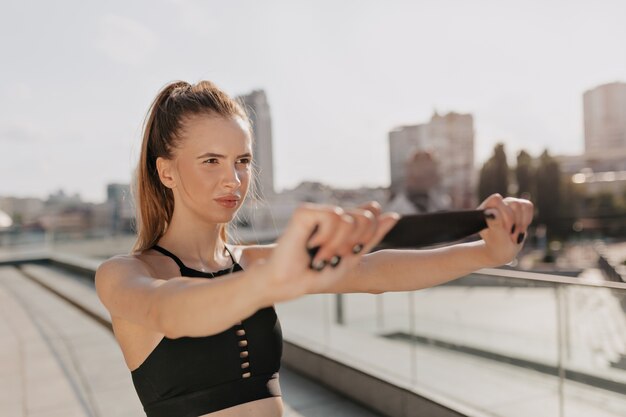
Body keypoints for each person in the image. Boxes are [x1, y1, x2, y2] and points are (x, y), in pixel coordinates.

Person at [94, 80, 534, 417]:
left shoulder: (253, 264)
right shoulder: (125, 275)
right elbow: (174, 312)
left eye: (242, 161)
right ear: (166, 171)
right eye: (211, 161)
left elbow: (373, 272)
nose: (233, 180)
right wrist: (278, 276)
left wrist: (485, 253)